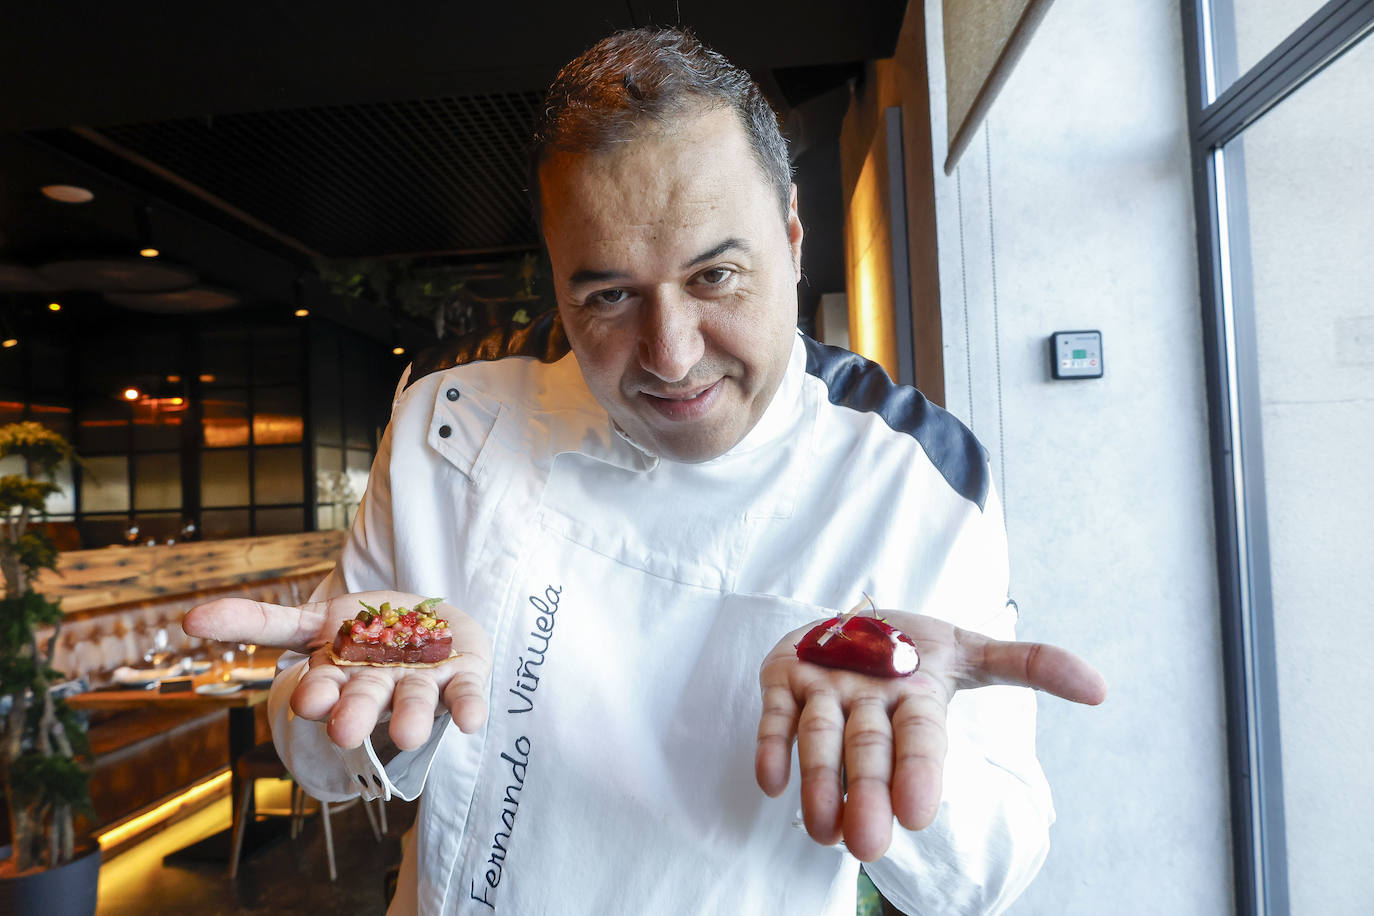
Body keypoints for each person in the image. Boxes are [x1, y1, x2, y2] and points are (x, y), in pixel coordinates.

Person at [186, 27, 1106, 915]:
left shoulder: (913, 480)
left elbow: (986, 879)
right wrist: (380, 707)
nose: (669, 354)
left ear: (791, 238)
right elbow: (314, 756)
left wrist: (908, 757)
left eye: (715, 278)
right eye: (610, 295)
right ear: (556, 280)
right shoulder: (449, 423)